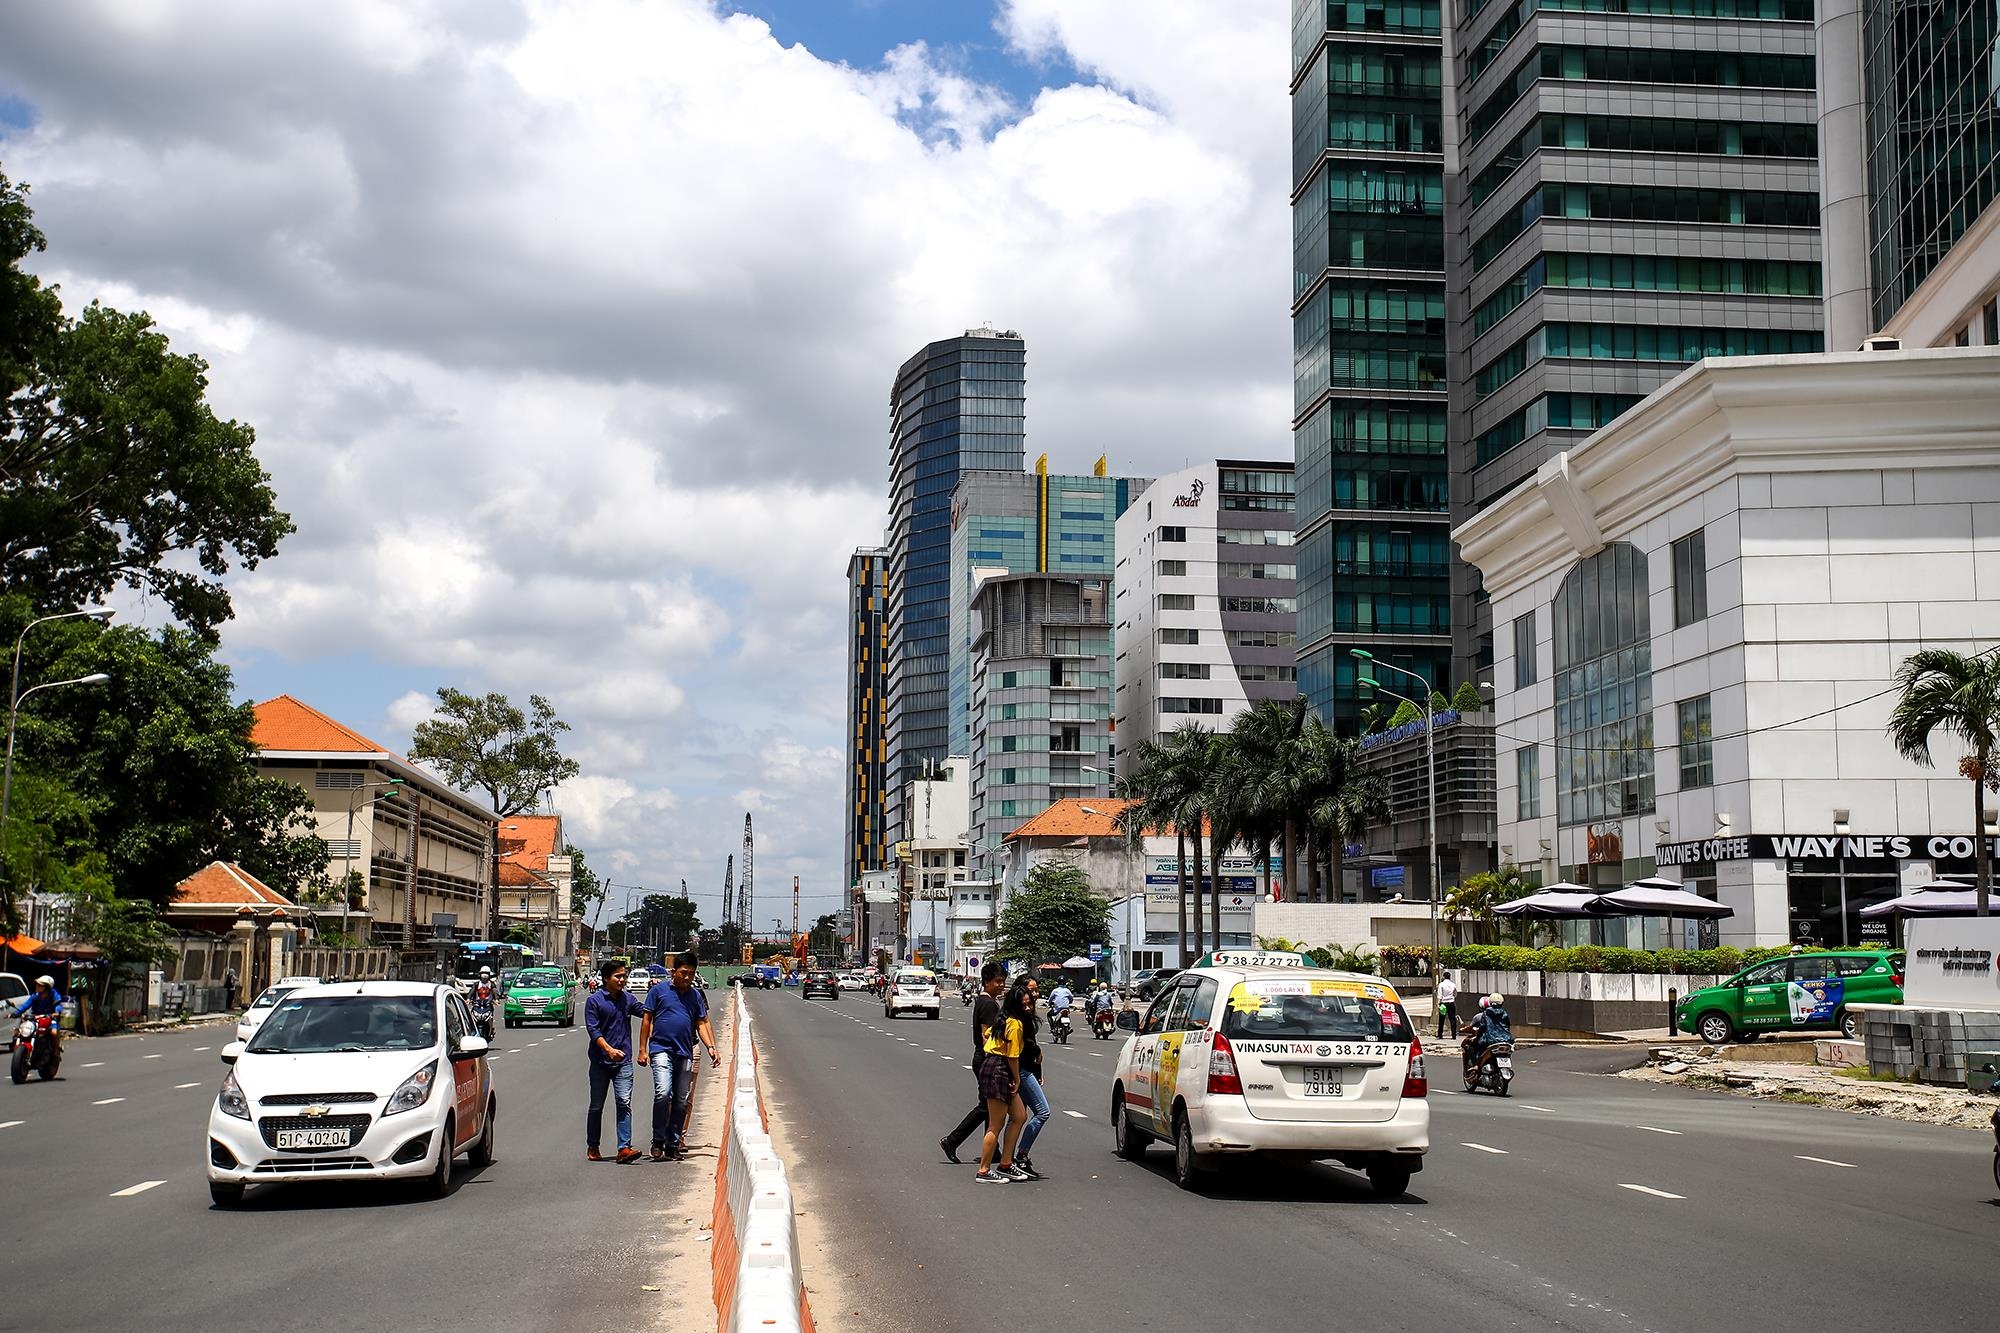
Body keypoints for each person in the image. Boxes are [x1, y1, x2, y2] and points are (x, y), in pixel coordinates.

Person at [638, 952, 721, 1160]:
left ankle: (673, 1143)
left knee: (681, 1099)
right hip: (660, 1049)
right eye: (684, 973)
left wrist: (711, 1046)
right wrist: (642, 1049)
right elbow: (647, 1019)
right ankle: (658, 1139)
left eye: (691, 974)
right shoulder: (658, 991)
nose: (687, 977)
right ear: (673, 972)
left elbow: (701, 1022)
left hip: (685, 1051)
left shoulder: (695, 996)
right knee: (663, 1092)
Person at [941, 962, 1009, 1163]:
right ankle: (952, 1140)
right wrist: (996, 1061)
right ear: (986, 982)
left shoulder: (983, 1000)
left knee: (990, 1105)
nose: (1001, 985)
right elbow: (986, 1035)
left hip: (982, 1058)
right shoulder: (989, 1004)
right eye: (997, 981)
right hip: (987, 1058)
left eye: (1003, 982)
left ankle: (993, 1149)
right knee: (985, 1106)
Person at [584, 960, 647, 1163]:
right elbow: (594, 1031)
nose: (622, 980)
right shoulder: (594, 1001)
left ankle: (624, 1148)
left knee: (623, 1102)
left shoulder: (628, 999)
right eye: (618, 976)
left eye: (624, 976)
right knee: (596, 1106)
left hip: (624, 1062)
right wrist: (609, 1050)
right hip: (600, 1062)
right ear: (605, 979)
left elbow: (646, 1012)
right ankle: (593, 1146)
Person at [975, 982, 1033, 1184]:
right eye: (1023, 1005)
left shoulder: (1003, 1019)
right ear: (1015, 1005)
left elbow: (986, 1034)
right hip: (1000, 1068)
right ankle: (983, 1170)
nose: (1028, 1008)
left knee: (1019, 1116)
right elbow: (1013, 1056)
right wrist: (1017, 1080)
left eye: (1029, 1003)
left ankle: (1006, 1164)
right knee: (995, 1124)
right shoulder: (1015, 1024)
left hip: (992, 1065)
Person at [1009, 977, 1051, 1180]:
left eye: (1035, 991)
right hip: (1021, 1071)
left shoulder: (1027, 1014)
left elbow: (1031, 1044)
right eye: (1030, 991)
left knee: (1018, 1118)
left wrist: (1039, 1071)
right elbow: (1021, 1049)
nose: (1034, 996)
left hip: (1027, 1070)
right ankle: (1020, 1156)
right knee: (1042, 1112)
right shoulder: (1016, 1018)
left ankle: (1010, 1161)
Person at [1460, 993, 1513, 1070]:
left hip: (1490, 1039)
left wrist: (1478, 1037)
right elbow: (1507, 1026)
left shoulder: (1486, 1013)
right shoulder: (1505, 1013)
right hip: (1506, 1039)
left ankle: (1476, 1065)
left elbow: (1482, 1027)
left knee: (1472, 1046)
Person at [1435, 971, 1459, 1038]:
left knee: (1441, 1019)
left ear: (1443, 977)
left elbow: (1439, 995)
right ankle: (1454, 1035)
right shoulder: (1453, 984)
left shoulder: (1441, 984)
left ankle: (1440, 1035)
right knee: (1452, 1019)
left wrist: (1438, 1004)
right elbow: (1455, 994)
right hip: (1451, 1003)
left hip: (1443, 1004)